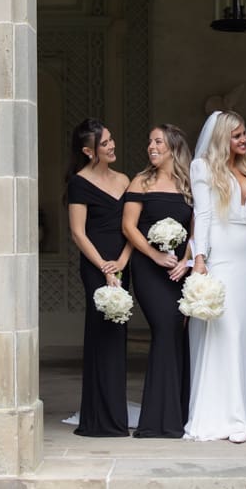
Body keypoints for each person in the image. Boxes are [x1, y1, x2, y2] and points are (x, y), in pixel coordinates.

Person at [185, 110, 246, 443]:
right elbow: (201, 214)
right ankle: (228, 417)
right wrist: (199, 258)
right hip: (222, 253)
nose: (243, 140)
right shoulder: (203, 167)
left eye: (244, 134)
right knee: (226, 330)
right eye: (236, 135)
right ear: (222, 138)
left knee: (244, 331)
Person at [122, 124, 194, 438]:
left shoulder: (189, 184)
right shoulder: (141, 181)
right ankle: (158, 420)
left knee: (178, 335)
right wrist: (155, 256)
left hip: (180, 271)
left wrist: (187, 261)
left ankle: (177, 414)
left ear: (174, 147)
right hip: (150, 270)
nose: (151, 146)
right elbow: (129, 227)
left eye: (158, 142)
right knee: (165, 329)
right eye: (150, 141)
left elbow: (197, 229)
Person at [66, 118, 130, 438]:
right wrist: (104, 266)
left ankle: (116, 416)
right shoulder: (79, 182)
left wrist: (120, 262)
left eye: (111, 139)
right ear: (88, 150)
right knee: (100, 333)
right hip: (95, 266)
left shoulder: (124, 179)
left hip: (122, 262)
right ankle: (97, 417)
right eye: (105, 143)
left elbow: (132, 226)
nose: (111, 145)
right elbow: (78, 232)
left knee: (118, 335)